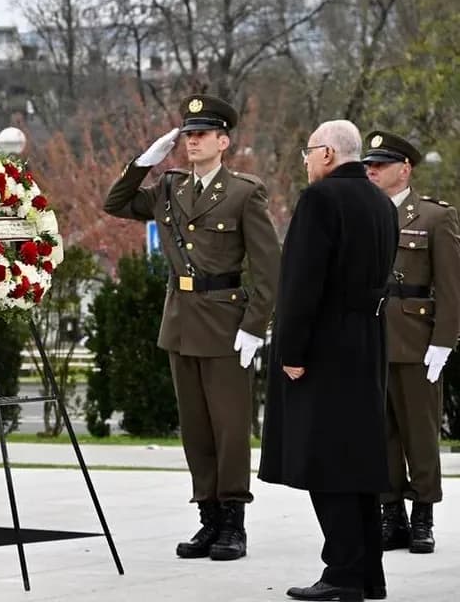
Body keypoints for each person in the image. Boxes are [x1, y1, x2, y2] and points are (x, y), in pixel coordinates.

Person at [104, 94, 280, 561]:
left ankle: (233, 523)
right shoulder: (170, 188)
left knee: (229, 427)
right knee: (196, 430)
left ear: (224, 141)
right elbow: (115, 202)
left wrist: (255, 327)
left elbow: (268, 268)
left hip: (225, 322)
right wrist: (145, 162)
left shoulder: (245, 191)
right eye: (188, 134)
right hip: (181, 320)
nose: (192, 141)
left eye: (202, 134)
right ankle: (207, 519)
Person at [259, 119, 398, 602]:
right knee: (358, 461)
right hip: (368, 341)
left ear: (326, 154)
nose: (304, 160)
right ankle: (367, 575)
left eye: (307, 151)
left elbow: (301, 282)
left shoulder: (321, 200)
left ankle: (342, 573)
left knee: (327, 463)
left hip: (325, 345)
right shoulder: (382, 202)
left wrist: (292, 350)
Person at [363, 130, 460, 555]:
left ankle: (423, 517)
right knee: (379, 433)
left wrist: (444, 342)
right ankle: (392, 515)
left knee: (419, 434)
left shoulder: (435, 217)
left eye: (379, 165)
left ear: (405, 169)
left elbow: (452, 287)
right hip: (371, 338)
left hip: (418, 341)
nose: (371, 171)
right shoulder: (363, 214)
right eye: (368, 164)